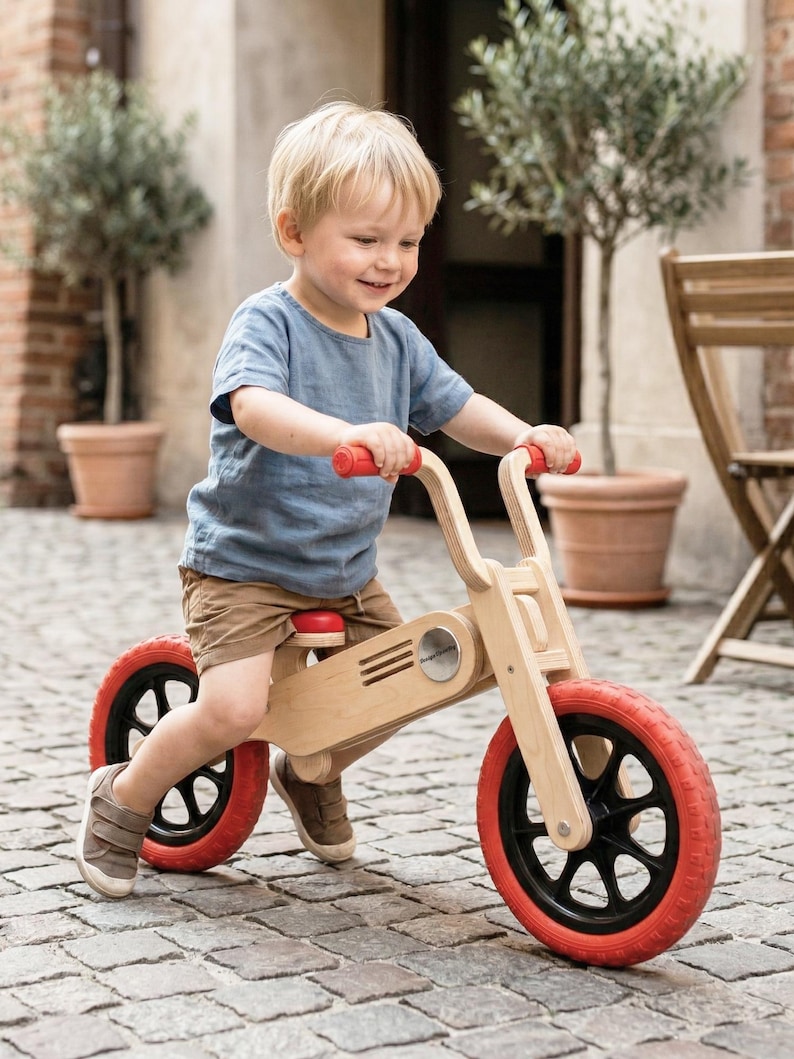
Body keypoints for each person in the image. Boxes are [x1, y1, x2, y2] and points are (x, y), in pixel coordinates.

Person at [76, 100, 577, 899]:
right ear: (295, 232)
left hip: (343, 571)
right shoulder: (268, 322)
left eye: (408, 242)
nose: (389, 261)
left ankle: (308, 770)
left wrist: (524, 434)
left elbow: (457, 407)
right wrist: (346, 433)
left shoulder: (398, 338)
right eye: (367, 239)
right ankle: (123, 795)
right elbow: (254, 407)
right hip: (244, 568)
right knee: (233, 710)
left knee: (413, 679)